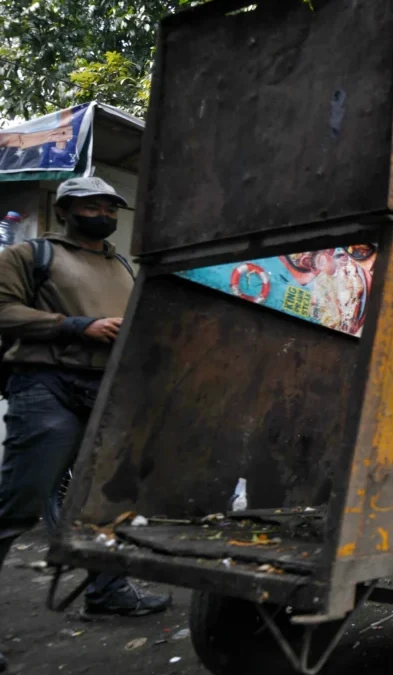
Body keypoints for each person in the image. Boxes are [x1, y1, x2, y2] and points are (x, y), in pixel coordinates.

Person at [0, 177, 169, 673]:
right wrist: (78, 326)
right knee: (18, 502)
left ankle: (107, 591)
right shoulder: (32, 254)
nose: (101, 211)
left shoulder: (120, 265)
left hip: (108, 388)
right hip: (46, 384)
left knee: (108, 499)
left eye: (109, 205)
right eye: (89, 204)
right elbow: (3, 310)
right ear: (66, 210)